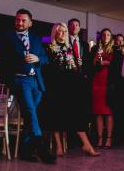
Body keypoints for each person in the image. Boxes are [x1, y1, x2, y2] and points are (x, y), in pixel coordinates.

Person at [0, 9, 54, 164]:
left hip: (36, 81)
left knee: (31, 115)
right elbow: (0, 60)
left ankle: (26, 151)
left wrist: (37, 58)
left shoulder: (36, 39)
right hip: (19, 80)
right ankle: (41, 146)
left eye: (23, 20)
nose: (19, 23)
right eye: (17, 20)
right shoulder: (6, 37)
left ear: (30, 23)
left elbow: (45, 58)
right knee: (29, 111)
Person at [39, 23, 99, 157]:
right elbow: (47, 68)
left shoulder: (69, 48)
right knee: (56, 115)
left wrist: (75, 67)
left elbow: (74, 68)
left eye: (65, 31)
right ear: (55, 33)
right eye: (60, 31)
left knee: (77, 114)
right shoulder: (48, 48)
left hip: (70, 85)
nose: (63, 33)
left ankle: (86, 144)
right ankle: (59, 147)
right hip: (55, 86)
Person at [66, 18, 99, 155]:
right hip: (68, 81)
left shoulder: (85, 44)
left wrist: (87, 75)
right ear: (68, 27)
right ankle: (70, 141)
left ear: (80, 28)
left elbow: (89, 64)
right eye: (72, 25)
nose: (74, 27)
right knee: (70, 110)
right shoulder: (65, 42)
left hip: (82, 82)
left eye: (77, 25)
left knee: (82, 110)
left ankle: (82, 141)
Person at [91, 28, 115, 149]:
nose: (106, 36)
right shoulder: (95, 48)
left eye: (108, 34)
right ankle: (100, 139)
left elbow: (117, 65)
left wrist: (106, 63)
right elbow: (92, 65)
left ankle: (109, 139)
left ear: (111, 37)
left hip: (108, 83)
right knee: (98, 112)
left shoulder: (115, 49)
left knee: (108, 112)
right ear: (101, 36)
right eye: (104, 34)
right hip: (97, 82)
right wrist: (96, 60)